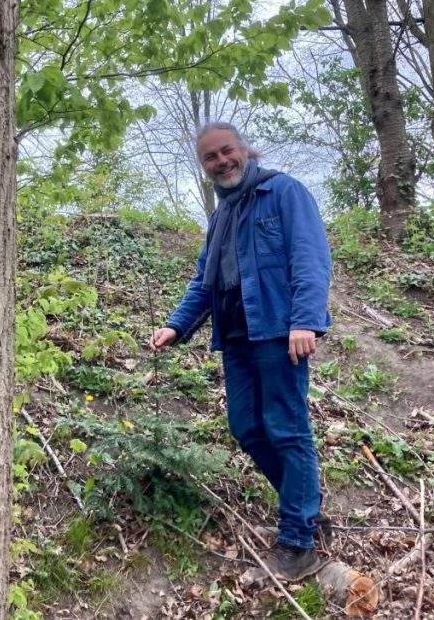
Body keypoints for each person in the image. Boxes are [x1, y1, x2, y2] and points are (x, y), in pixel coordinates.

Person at [149, 122, 332, 581]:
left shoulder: (284, 192)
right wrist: (176, 325)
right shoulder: (221, 216)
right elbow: (204, 284)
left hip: (276, 331)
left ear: (244, 149)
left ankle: (298, 540)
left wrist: (306, 320)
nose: (221, 161)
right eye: (210, 157)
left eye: (226, 151)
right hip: (235, 337)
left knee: (286, 430)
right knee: (246, 426)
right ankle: (303, 509)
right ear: (204, 166)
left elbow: (310, 258)